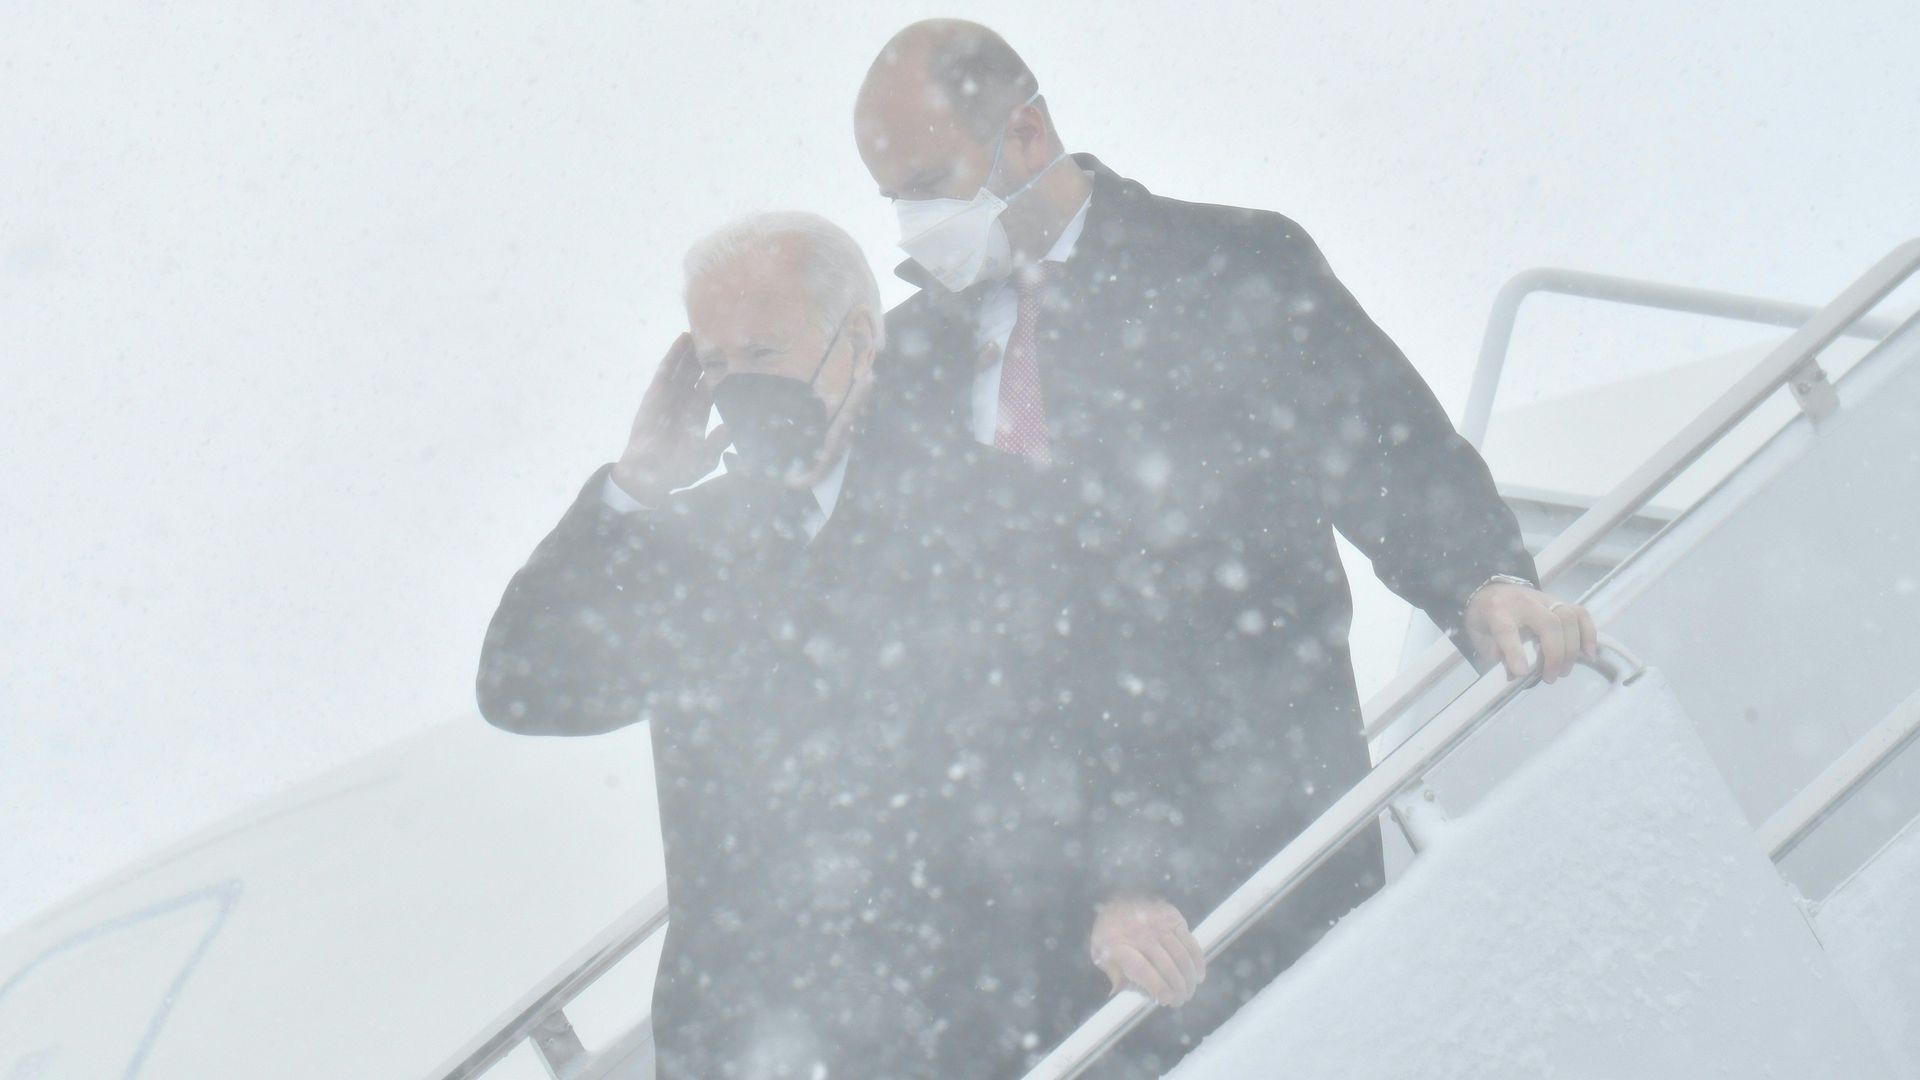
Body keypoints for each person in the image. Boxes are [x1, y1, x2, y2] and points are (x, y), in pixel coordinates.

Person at [853, 19, 1599, 1075]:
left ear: (1023, 135)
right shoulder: (915, 364)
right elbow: (940, 650)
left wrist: (1484, 581)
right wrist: (1088, 875)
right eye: (892, 196)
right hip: (1040, 907)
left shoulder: (1227, 264)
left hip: (1260, 823)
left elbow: (1385, 446)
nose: (912, 223)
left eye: (928, 181)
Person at [475, 212, 1145, 1077]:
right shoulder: (686, 549)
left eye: (761, 353)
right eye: (715, 364)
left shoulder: (997, 509)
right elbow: (522, 686)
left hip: (970, 1020)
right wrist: (635, 488)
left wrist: (1129, 888)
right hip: (748, 1038)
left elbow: (1100, 727)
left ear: (859, 340)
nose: (734, 385)